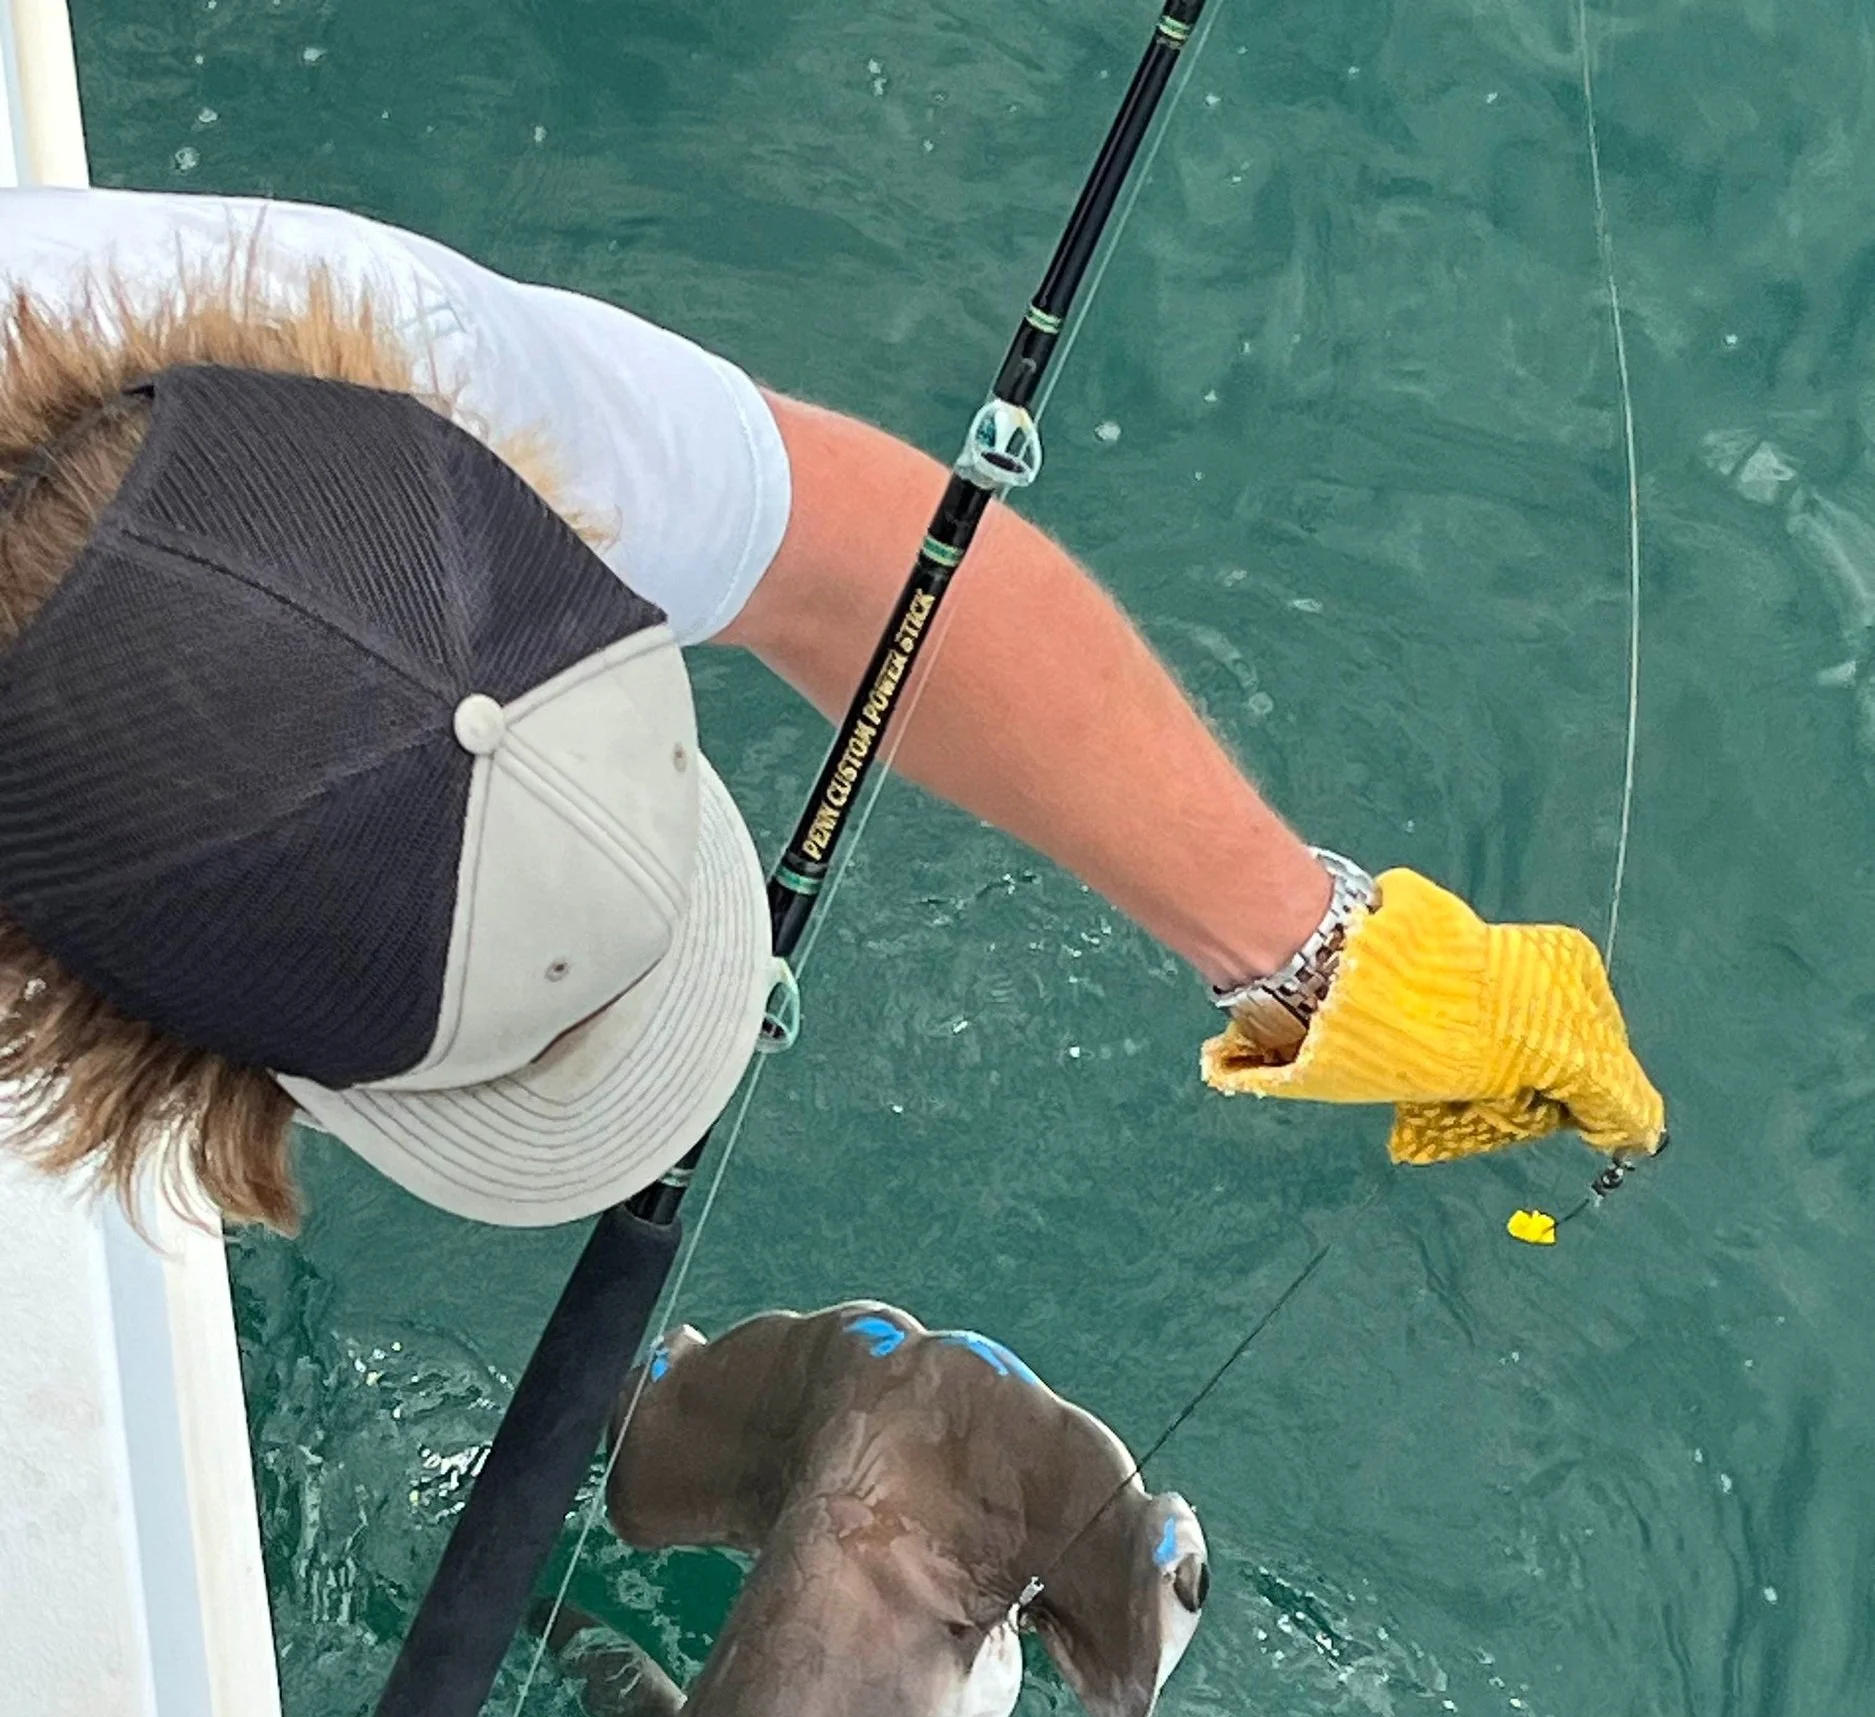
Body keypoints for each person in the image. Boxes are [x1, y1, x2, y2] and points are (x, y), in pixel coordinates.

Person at [0, 188, 1663, 1232]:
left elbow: (863, 566)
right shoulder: (340, 363)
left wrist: (1323, 955)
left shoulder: (413, 371)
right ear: (92, 1026)